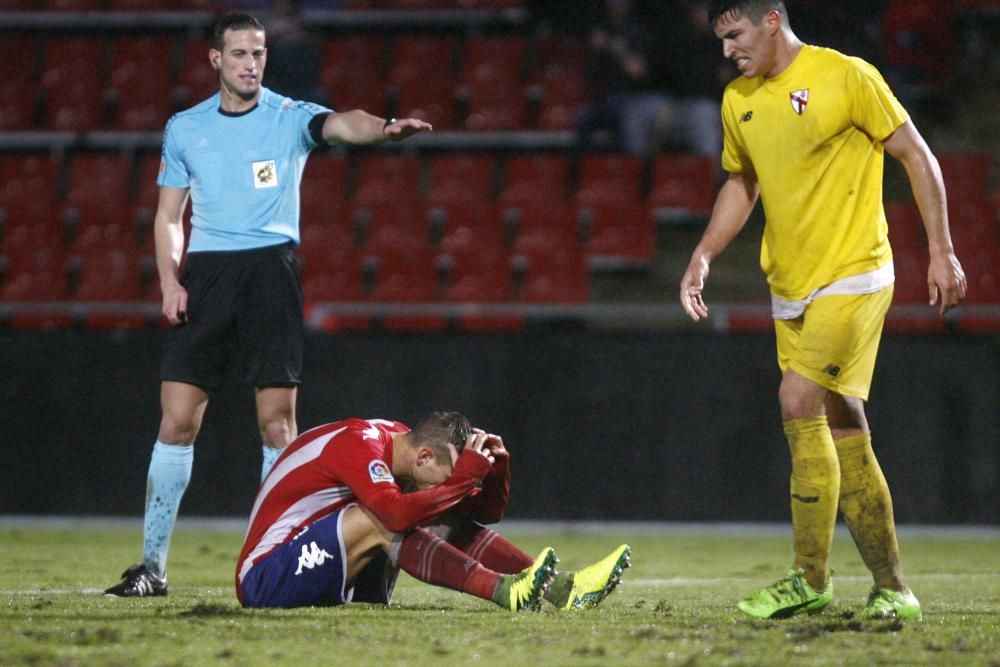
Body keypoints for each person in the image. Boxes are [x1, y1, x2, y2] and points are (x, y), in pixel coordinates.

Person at [104, 12, 433, 598]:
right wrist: (169, 282)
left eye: (258, 53)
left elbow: (341, 124)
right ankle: (151, 567)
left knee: (278, 425)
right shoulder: (185, 128)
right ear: (215, 60)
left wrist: (383, 129)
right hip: (205, 278)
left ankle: (277, 558)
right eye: (239, 55)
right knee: (177, 421)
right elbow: (167, 216)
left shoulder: (288, 117)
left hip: (270, 274)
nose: (251, 64)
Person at [679, 0, 966, 621]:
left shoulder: (848, 76)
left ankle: (808, 577)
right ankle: (894, 588)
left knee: (795, 400)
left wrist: (941, 251)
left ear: (772, 20)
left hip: (856, 274)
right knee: (844, 428)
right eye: (722, 39)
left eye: (736, 34)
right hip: (791, 287)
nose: (728, 50)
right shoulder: (739, 101)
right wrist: (703, 252)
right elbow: (742, 182)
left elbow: (917, 154)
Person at [235, 412, 632, 611]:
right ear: (425, 455)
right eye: (441, 473)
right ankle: (503, 591)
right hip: (266, 576)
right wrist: (458, 482)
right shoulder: (358, 445)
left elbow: (479, 513)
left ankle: (561, 589)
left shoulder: (403, 445)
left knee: (426, 506)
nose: (446, 486)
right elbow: (395, 515)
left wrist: (495, 474)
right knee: (386, 516)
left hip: (311, 559)